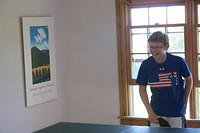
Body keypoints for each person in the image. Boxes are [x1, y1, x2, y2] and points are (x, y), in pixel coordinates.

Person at [136, 31, 193, 128]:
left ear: (166, 46)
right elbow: (142, 88)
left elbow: (189, 79)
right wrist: (150, 112)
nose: (153, 50)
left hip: (176, 111)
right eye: (151, 47)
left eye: (157, 47)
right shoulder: (146, 64)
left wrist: (185, 99)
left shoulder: (178, 61)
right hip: (156, 111)